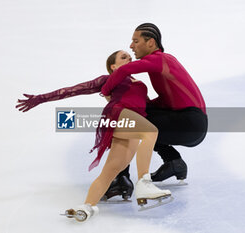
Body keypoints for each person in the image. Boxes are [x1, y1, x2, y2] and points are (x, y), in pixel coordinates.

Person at [16, 50, 171, 221]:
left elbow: (147, 104)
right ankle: (144, 182)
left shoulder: (139, 83)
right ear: (113, 66)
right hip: (119, 115)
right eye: (123, 57)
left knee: (112, 170)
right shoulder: (109, 79)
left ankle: (87, 206)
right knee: (150, 132)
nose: (130, 58)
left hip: (134, 123)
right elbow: (73, 90)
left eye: (130, 56)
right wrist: (41, 98)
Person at [103, 23, 208, 199]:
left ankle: (121, 179)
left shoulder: (160, 59)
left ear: (151, 42)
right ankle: (174, 162)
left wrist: (106, 91)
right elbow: (169, 100)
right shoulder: (163, 62)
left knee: (128, 121)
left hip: (189, 122)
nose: (131, 46)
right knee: (140, 117)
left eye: (136, 41)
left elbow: (126, 69)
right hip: (193, 123)